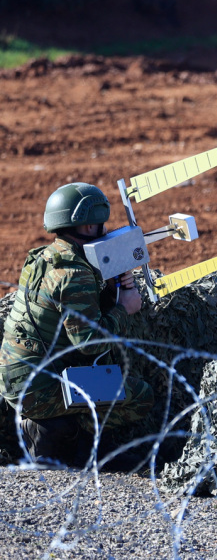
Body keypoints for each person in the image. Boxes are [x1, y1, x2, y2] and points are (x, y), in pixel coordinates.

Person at [0, 182, 154, 469]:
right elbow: (89, 344)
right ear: (86, 228)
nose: (105, 230)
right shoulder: (75, 274)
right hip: (39, 389)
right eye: (100, 224)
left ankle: (58, 429)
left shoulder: (43, 258)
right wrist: (124, 308)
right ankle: (79, 448)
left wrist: (108, 291)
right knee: (141, 395)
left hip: (18, 377)